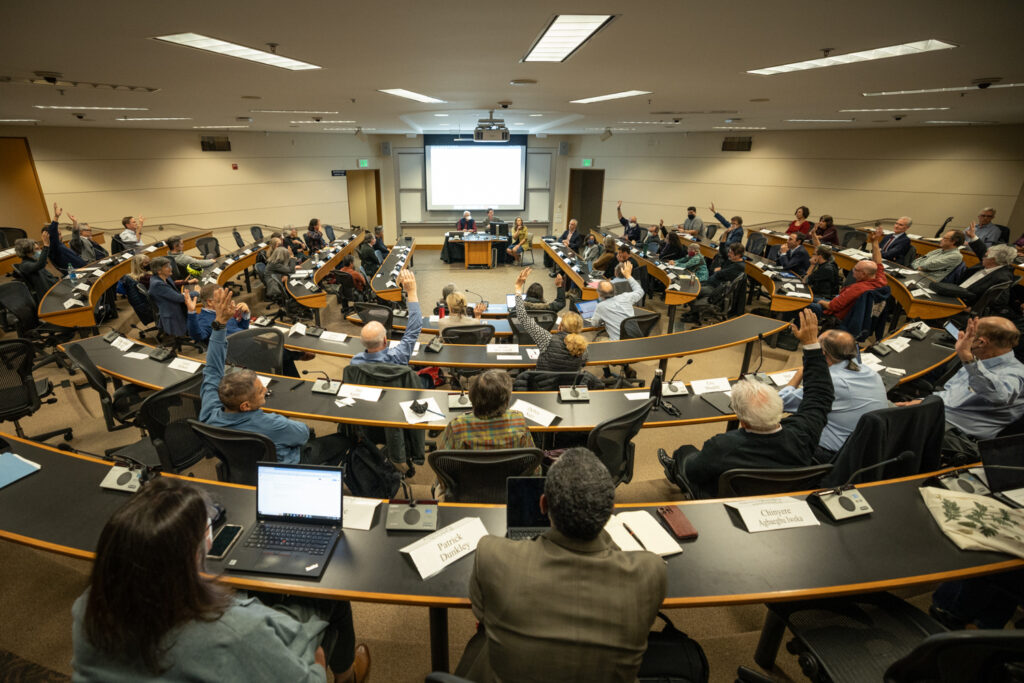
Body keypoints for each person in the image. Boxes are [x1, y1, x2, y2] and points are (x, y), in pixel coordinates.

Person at [71, 476, 369, 682]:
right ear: (195, 548)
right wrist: (317, 664)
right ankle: (347, 676)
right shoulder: (236, 630)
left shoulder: (88, 608)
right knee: (332, 598)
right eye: (207, 528)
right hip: (272, 654)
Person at [455, 447, 666, 682]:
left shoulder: (491, 555)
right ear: (609, 512)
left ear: (543, 505)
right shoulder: (651, 571)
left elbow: (483, 614)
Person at [660, 310, 834, 499]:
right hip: (783, 498)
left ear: (742, 421)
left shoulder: (723, 445)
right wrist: (811, 345)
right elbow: (820, 395)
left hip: (727, 502)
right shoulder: (803, 434)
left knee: (686, 452)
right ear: (779, 409)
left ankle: (673, 467)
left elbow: (694, 473)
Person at [199, 288, 347, 464]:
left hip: (240, 464)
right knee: (342, 440)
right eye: (261, 391)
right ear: (245, 406)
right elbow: (302, 434)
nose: (266, 390)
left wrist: (220, 324)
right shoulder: (272, 423)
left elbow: (212, 369)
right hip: (284, 464)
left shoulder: (208, 413)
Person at [895, 316, 1024, 457]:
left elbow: (998, 395)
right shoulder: (979, 360)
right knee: (877, 413)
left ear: (981, 342)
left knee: (878, 426)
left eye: (969, 334)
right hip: (933, 414)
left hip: (955, 435)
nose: (962, 336)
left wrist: (967, 357)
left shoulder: (1016, 373)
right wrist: (924, 402)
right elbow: (950, 393)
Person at [779, 329, 888, 457]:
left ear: (822, 354)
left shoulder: (832, 382)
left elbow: (780, 402)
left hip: (831, 453)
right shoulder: (868, 371)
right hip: (863, 448)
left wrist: (800, 372)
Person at [513, 267, 588, 372]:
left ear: (560, 326)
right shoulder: (583, 347)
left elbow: (522, 316)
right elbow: (561, 302)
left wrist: (518, 288)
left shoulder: (547, 339)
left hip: (543, 383)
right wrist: (560, 286)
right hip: (568, 385)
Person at [437, 369, 532, 451]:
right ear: (507, 400)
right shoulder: (518, 421)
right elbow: (532, 463)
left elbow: (442, 462)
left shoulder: (457, 426)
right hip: (511, 472)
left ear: (471, 397)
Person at [930, 224, 1017, 307]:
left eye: (986, 256)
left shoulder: (1002, 277)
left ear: (994, 260)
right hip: (953, 292)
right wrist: (973, 237)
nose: (983, 257)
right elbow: (982, 250)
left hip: (963, 303)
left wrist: (974, 307)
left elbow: (1000, 301)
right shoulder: (990, 262)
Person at [351, 269, 422, 367]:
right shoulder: (397, 357)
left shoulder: (355, 362)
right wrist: (412, 292)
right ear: (385, 340)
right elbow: (413, 330)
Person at [811, 232, 887, 322]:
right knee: (809, 298)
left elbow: (832, 306)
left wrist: (820, 302)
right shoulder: (879, 280)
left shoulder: (856, 289)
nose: (853, 271)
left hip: (836, 313)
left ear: (863, 274)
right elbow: (878, 263)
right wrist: (875, 242)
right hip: (842, 304)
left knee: (805, 302)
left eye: (855, 270)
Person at [682, 242, 746, 323]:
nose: (729, 254)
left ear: (738, 255)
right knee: (690, 286)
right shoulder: (733, 261)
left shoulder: (738, 266)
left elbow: (720, 273)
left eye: (731, 253)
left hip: (715, 289)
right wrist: (725, 236)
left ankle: (695, 316)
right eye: (729, 252)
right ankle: (693, 312)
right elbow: (723, 251)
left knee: (692, 290)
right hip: (711, 283)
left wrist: (719, 269)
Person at [590, 260, 644, 341]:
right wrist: (628, 276)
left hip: (617, 344)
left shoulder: (600, 306)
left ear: (600, 294)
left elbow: (594, 324)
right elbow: (640, 291)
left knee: (597, 340)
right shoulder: (626, 297)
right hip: (634, 340)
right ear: (614, 290)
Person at [185, 283, 250, 342]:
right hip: (234, 349)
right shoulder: (203, 319)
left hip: (245, 340)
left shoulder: (224, 311)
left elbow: (242, 329)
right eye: (222, 299)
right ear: (210, 302)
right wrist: (191, 313)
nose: (226, 301)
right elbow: (197, 336)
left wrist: (245, 314)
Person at [147, 256, 190, 337]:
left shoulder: (165, 277)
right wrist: (196, 292)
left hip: (174, 306)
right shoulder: (157, 284)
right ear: (159, 271)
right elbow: (179, 298)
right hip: (172, 313)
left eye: (170, 265)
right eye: (167, 266)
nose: (171, 268)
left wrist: (187, 283)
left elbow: (173, 286)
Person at [13, 234, 58, 302]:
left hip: (53, 290)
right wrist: (46, 245)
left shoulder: (33, 261)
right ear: (27, 252)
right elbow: (40, 264)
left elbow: (49, 277)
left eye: (40, 248)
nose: (40, 251)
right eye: (37, 249)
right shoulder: (25, 265)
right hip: (47, 298)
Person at [44, 203, 87, 272]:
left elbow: (76, 236)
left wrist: (75, 222)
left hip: (83, 269)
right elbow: (52, 233)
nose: (60, 236)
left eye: (60, 234)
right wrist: (56, 217)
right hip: (75, 274)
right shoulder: (53, 248)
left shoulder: (61, 245)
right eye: (57, 234)